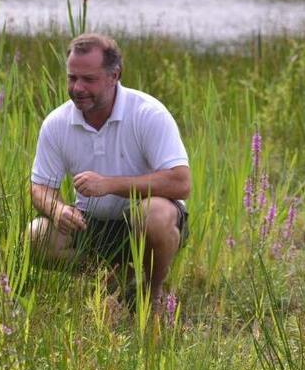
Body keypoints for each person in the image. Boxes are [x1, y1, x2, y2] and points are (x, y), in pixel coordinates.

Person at [28, 33, 190, 309]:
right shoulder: (56, 123)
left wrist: (110, 185)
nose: (78, 88)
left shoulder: (148, 113)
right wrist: (57, 210)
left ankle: (152, 294)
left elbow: (181, 183)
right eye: (72, 78)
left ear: (114, 75)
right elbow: (40, 187)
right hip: (91, 224)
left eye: (88, 79)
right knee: (37, 235)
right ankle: (112, 278)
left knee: (154, 215)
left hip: (144, 224)